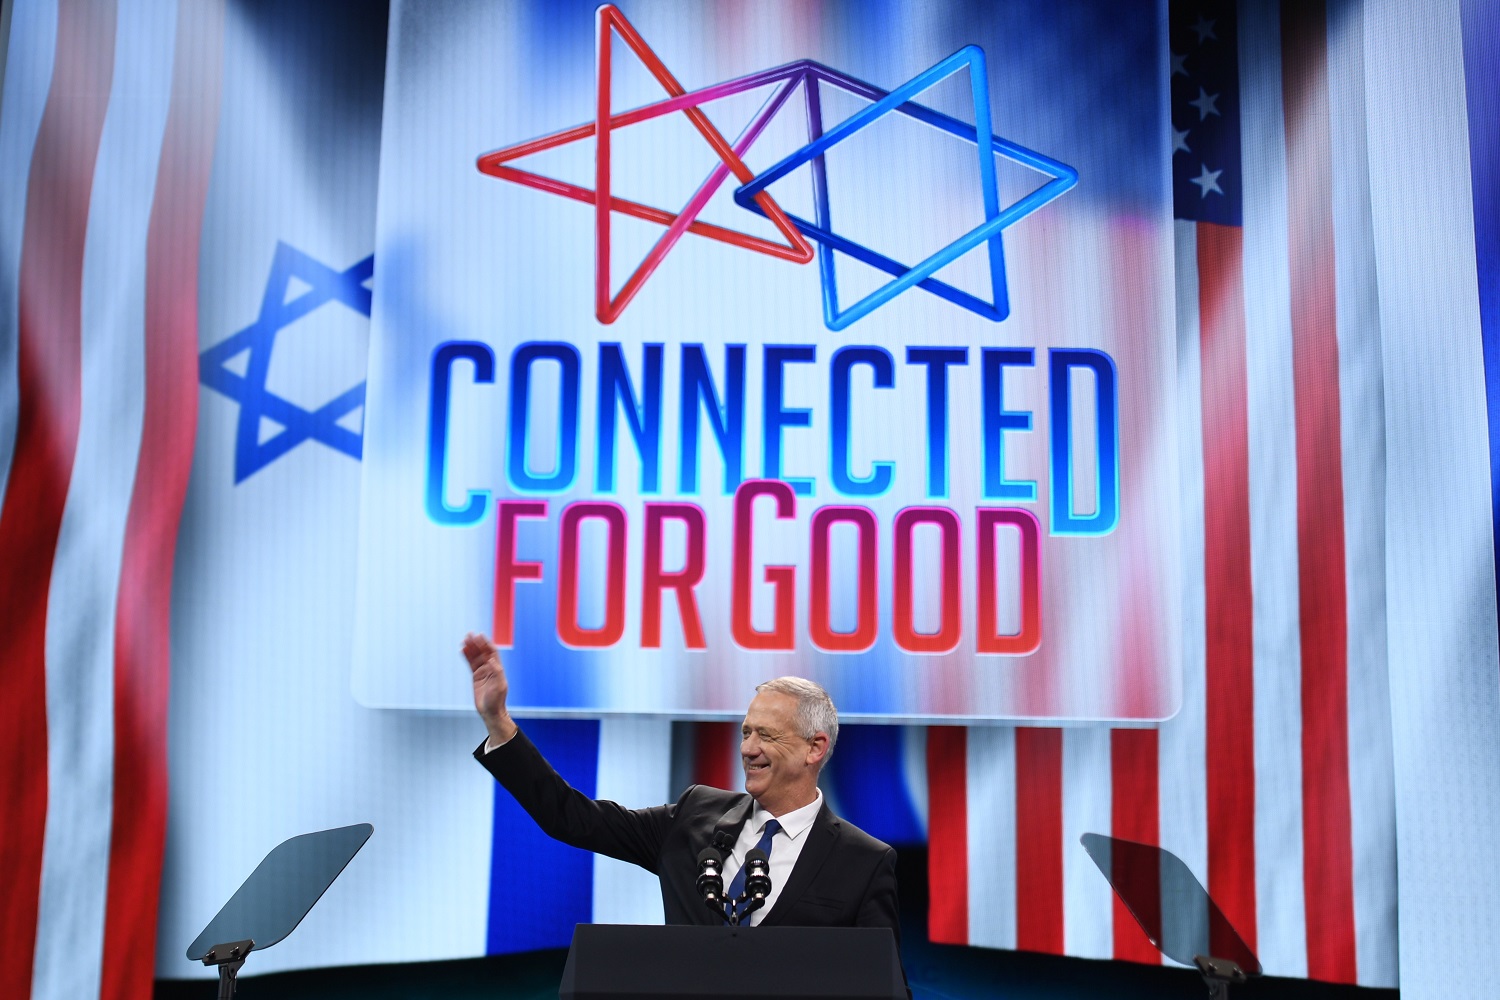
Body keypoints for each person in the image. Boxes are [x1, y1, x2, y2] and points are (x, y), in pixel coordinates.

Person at [463, 632, 901, 940]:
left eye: (766, 735)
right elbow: (571, 819)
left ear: (814, 748)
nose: (748, 748)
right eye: (746, 733)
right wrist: (498, 721)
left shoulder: (863, 862)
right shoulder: (695, 817)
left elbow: (882, 985)